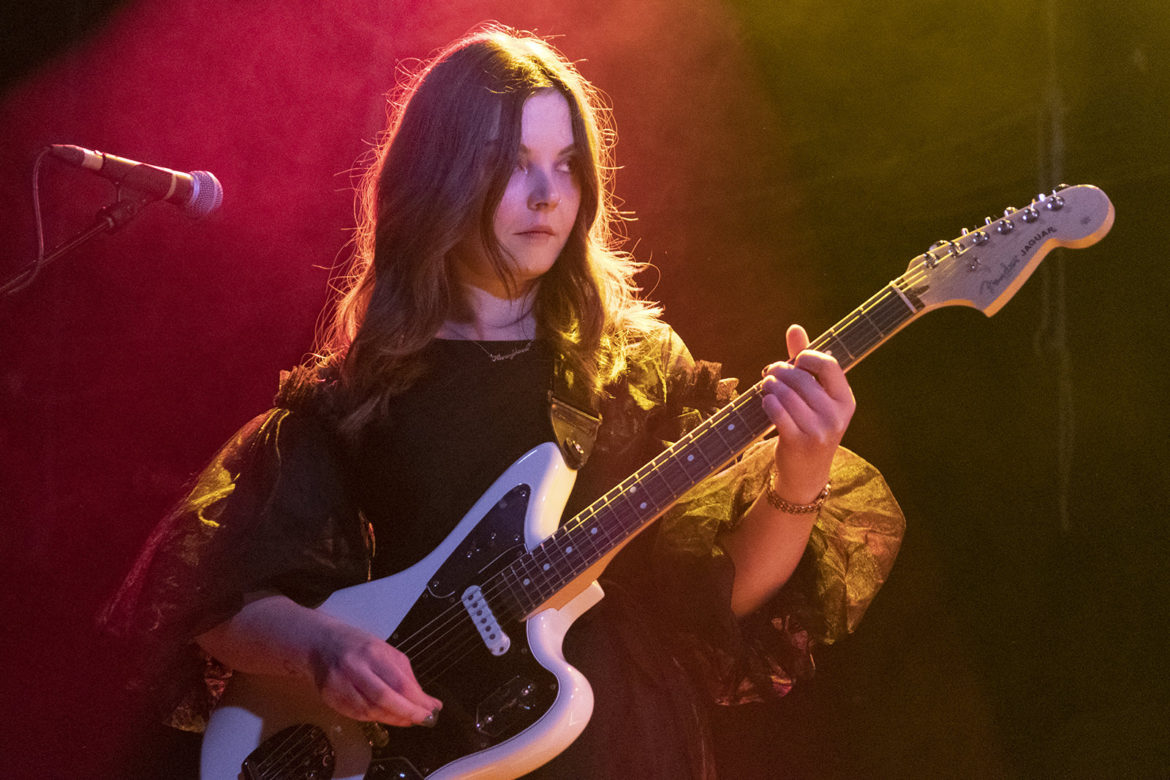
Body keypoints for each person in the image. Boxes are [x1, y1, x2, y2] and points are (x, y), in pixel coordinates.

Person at [101, 25, 904, 778]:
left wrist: (801, 474)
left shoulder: (638, 371)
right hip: (433, 748)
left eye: (566, 164)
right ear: (440, 174)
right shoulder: (355, 393)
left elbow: (720, 597)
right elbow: (217, 597)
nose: (548, 194)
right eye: (513, 162)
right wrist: (320, 648)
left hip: (619, 744)